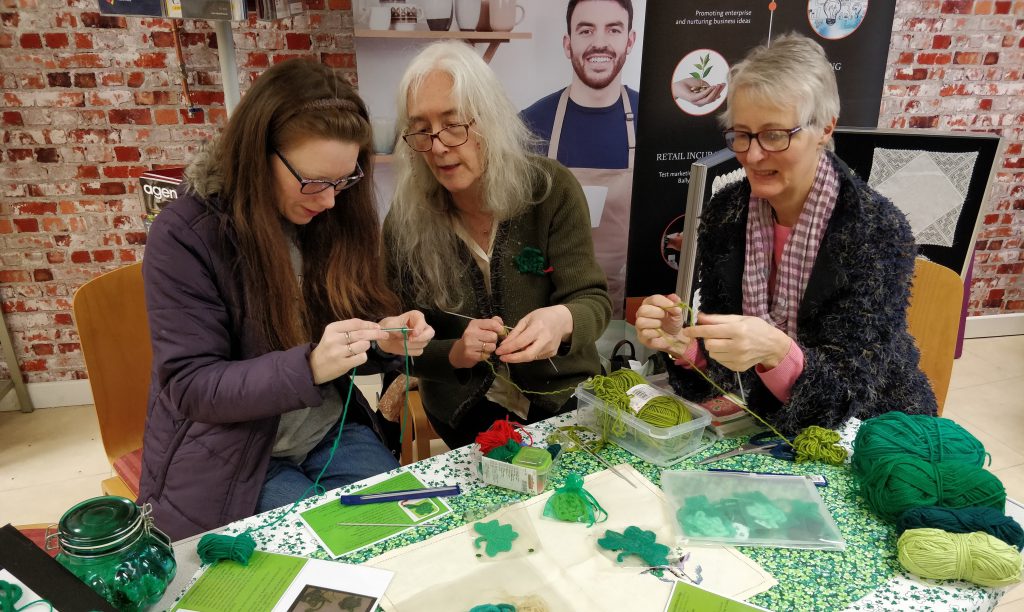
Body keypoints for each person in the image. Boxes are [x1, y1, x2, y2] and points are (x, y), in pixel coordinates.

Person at [139, 58, 434, 540]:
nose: (329, 201)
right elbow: (191, 386)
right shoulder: (187, 234)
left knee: (406, 532)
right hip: (232, 453)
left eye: (344, 180)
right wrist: (312, 366)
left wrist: (386, 337)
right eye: (315, 181)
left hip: (323, 431)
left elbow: (351, 312)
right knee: (331, 551)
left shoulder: (327, 217)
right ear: (259, 154)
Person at [635, 34, 936, 434]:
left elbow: (848, 394)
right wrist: (685, 345)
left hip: (876, 429)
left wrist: (778, 351)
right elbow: (729, 370)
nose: (753, 155)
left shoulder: (876, 231)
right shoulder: (727, 215)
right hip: (770, 420)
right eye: (741, 134)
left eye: (775, 135)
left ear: (824, 129)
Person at [384, 41, 611, 449]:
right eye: (421, 130)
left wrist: (560, 321)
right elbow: (396, 344)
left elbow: (592, 300)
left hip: (561, 395)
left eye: (454, 125)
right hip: (463, 408)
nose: (437, 146)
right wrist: (454, 354)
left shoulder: (550, 190)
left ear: (489, 120)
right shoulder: (405, 223)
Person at [520, 0, 639, 318]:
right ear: (567, 43)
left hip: (626, 316)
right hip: (547, 316)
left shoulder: (652, 124)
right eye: (586, 30)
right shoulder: (527, 128)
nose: (599, 42)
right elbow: (510, 235)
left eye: (613, 29)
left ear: (630, 40)